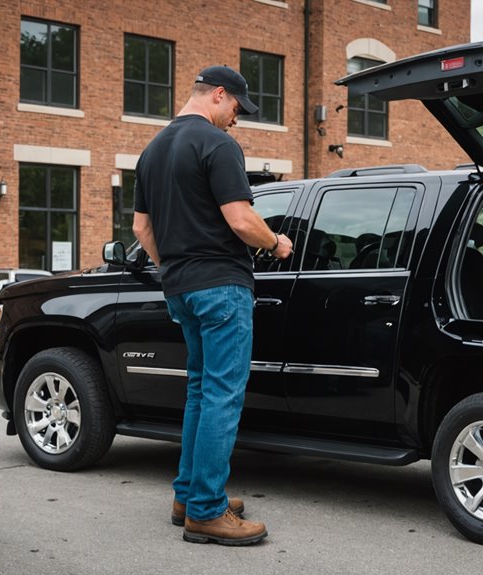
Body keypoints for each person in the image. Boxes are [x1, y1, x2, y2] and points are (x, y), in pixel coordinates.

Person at [132, 65, 293, 546]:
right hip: (221, 285)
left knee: (201, 392)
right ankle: (206, 511)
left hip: (180, 287)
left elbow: (142, 230)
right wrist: (276, 243)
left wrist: (176, 267)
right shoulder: (217, 145)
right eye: (237, 109)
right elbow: (242, 220)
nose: (237, 121)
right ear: (218, 96)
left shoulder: (152, 149)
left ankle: (190, 495)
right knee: (223, 395)